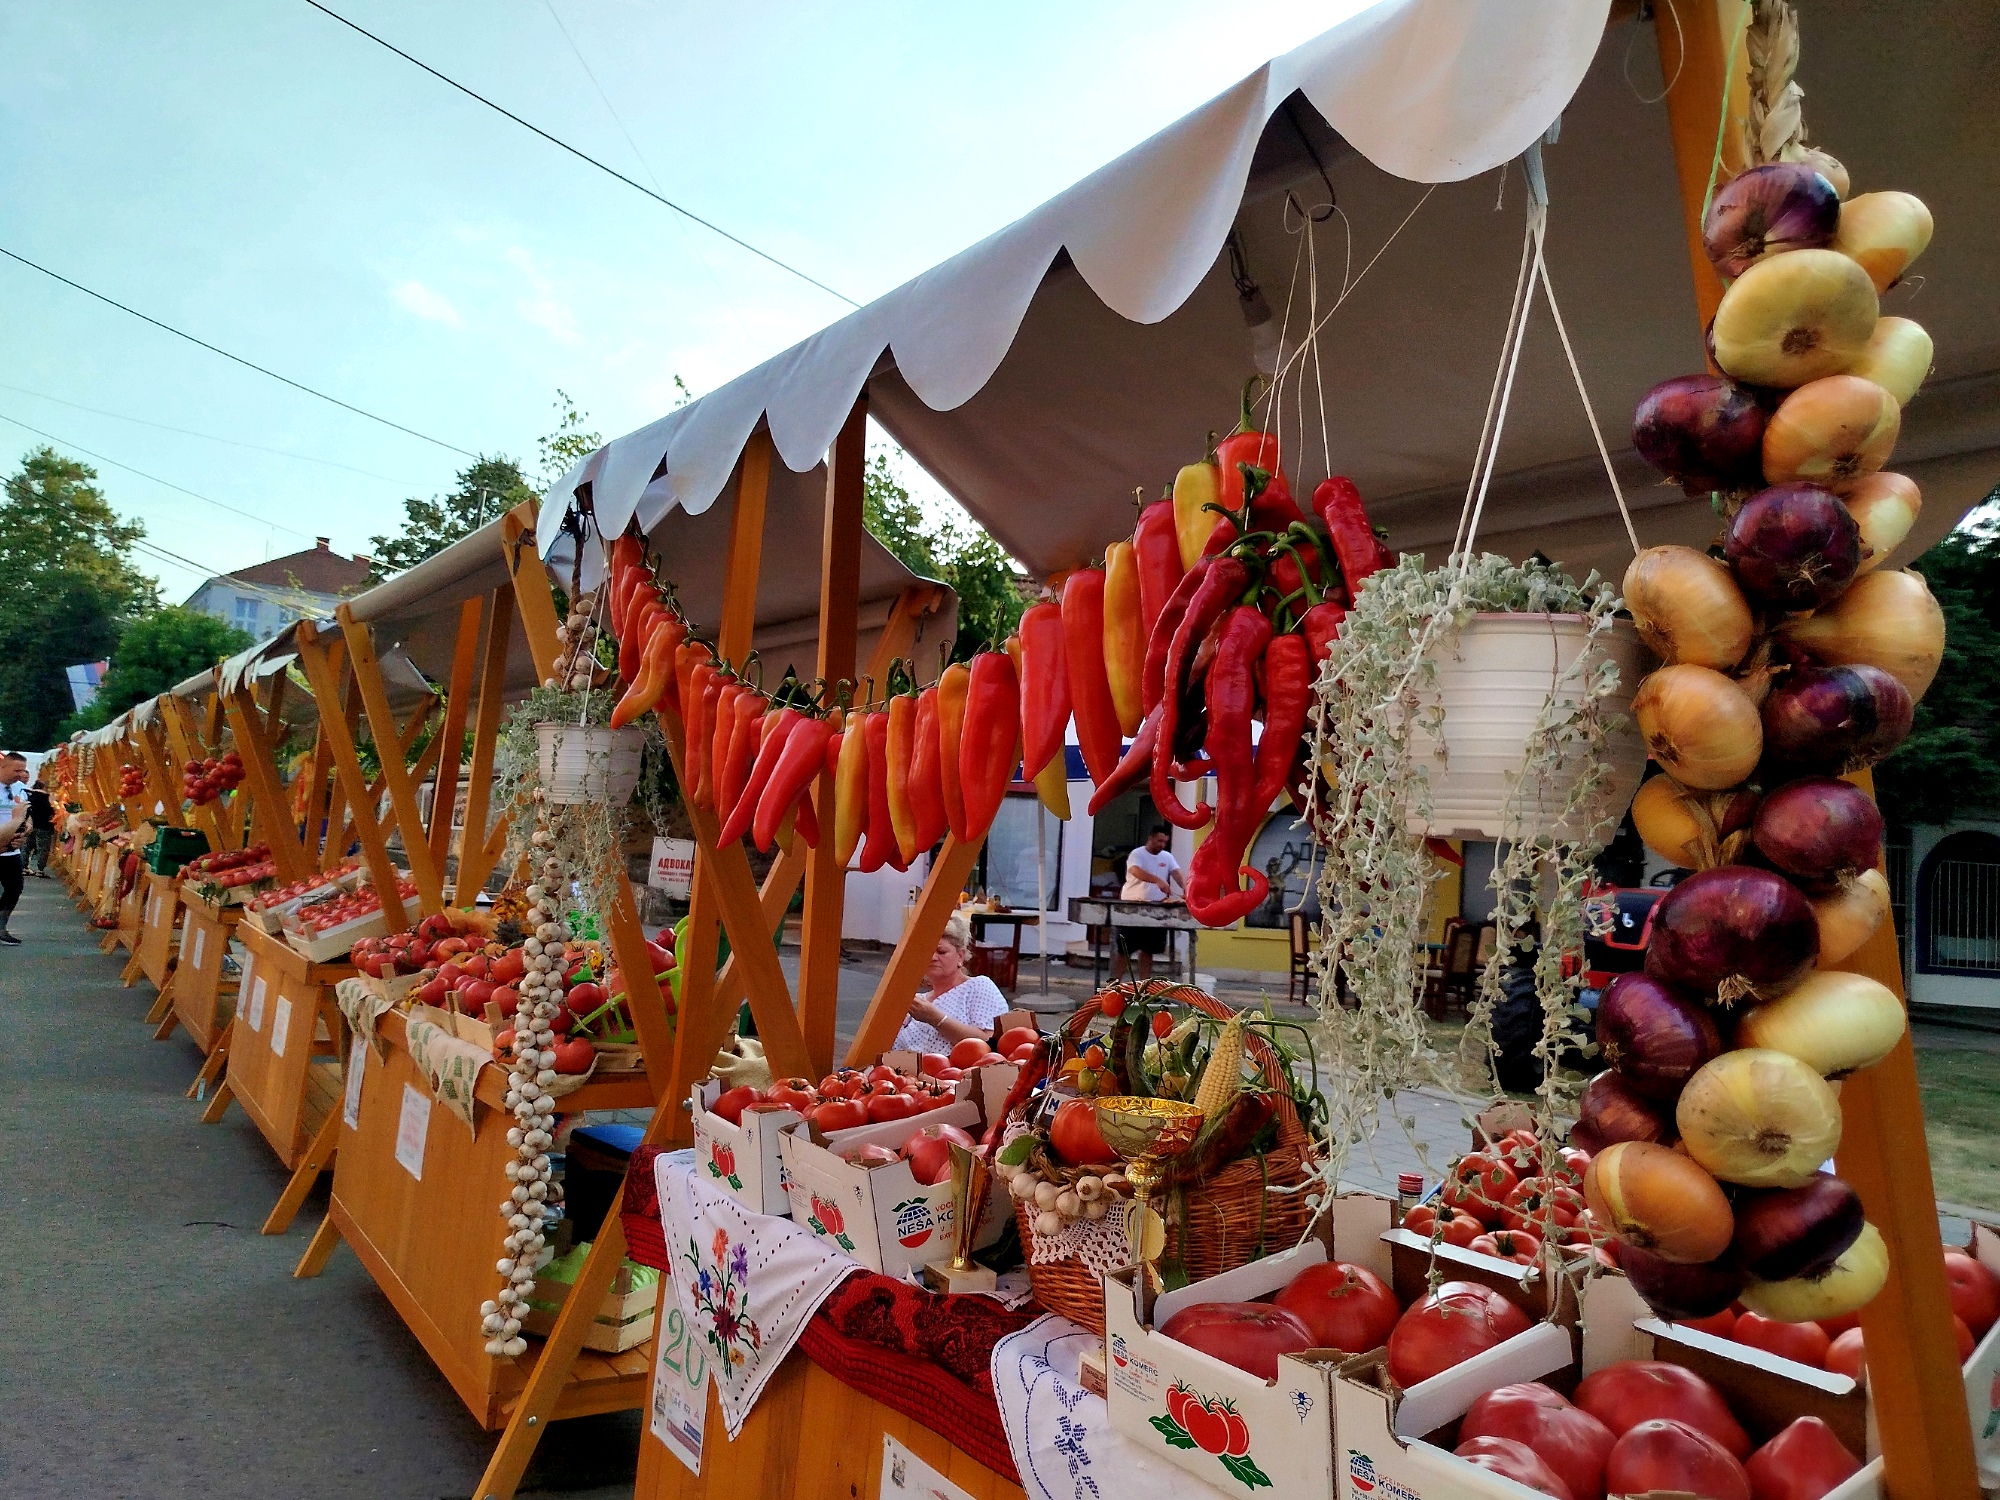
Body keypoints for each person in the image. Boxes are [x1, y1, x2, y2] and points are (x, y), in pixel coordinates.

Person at [895, 914, 1009, 1055]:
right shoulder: (917, 1001)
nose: (933, 957)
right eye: (927, 951)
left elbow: (989, 1043)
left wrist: (937, 1019)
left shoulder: (978, 987)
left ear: (960, 955)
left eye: (941, 952)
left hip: (961, 1068)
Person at [1111, 826, 1183, 982]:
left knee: (1148, 949)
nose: (1162, 845)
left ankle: (1144, 985)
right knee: (1125, 949)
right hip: (1132, 906)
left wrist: (1187, 889)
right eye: (1159, 841)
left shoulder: (1167, 857)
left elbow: (1177, 873)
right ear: (1150, 838)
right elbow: (1135, 871)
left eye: (1164, 842)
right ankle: (1114, 983)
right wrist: (1157, 880)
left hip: (1156, 908)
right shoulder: (1137, 854)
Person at [0, 753, 29, 946]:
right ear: (3, 767)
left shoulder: (20, 788)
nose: (21, 774)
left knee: (15, 888)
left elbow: (27, 816)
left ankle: (1, 926)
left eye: (23, 770)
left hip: (12, 851)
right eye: (17, 770)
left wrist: (25, 831)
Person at [26, 775, 54, 877]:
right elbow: (51, 812)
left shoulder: (29, 796)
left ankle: (24, 867)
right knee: (43, 848)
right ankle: (39, 869)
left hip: (30, 824)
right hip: (44, 826)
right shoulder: (47, 798)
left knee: (27, 847)